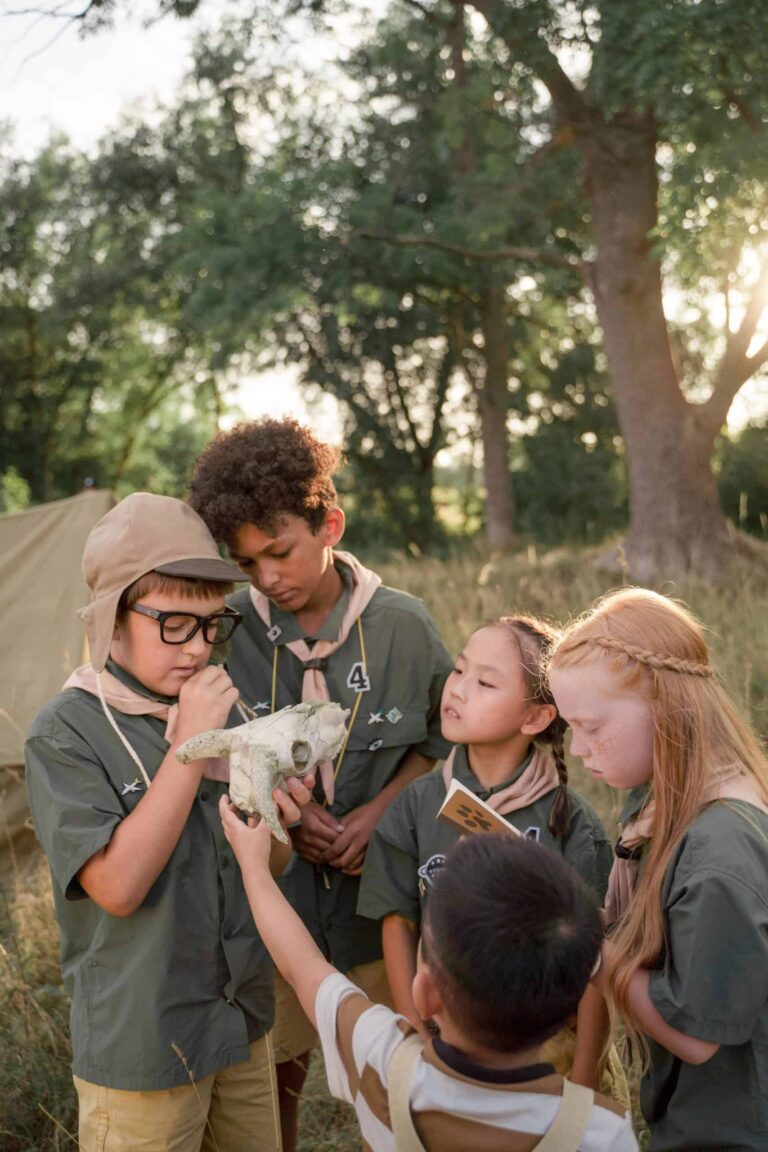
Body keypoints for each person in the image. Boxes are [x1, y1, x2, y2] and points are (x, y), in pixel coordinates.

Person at [188, 418, 453, 1150]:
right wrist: (286, 819)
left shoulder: (403, 626)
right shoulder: (227, 629)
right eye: (247, 564)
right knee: (272, 1076)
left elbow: (440, 744)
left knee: (400, 1069)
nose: (268, 577)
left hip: (380, 907)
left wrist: (379, 814)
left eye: (281, 551)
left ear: (328, 523)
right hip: (275, 906)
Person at [25, 493, 313, 1152]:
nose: (199, 648)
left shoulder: (219, 707)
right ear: (112, 618)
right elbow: (118, 888)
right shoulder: (67, 732)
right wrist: (188, 751)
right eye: (175, 624)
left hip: (241, 1019)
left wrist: (275, 819)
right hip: (146, 1042)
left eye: (213, 625)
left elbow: (268, 866)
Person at [220, 799, 639, 1152]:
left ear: (425, 993)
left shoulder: (382, 1059)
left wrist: (253, 867)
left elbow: (301, 965)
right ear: (568, 1004)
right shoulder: (602, 1132)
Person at [359, 614, 625, 1096]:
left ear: (536, 717)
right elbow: (398, 924)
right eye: (459, 671)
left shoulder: (570, 821)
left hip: (550, 1053)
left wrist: (585, 1077)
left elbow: (595, 965)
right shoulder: (417, 806)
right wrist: (412, 1030)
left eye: (484, 682)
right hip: (443, 1043)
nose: (457, 689)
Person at [548, 587, 768, 1152]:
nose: (577, 749)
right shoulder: (661, 798)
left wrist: (591, 944)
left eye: (591, 726)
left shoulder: (719, 853)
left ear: (668, 708)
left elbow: (697, 1038)